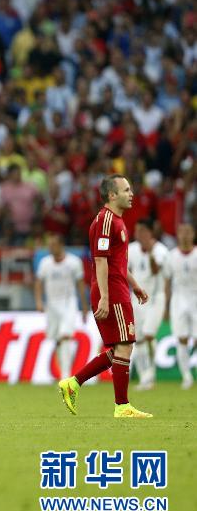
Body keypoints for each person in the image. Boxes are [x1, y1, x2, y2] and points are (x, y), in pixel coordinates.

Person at [58, 174, 152, 418]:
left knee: (119, 347)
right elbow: (99, 260)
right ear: (112, 195)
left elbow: (118, 261)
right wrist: (105, 297)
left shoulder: (116, 221)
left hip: (117, 287)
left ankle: (73, 383)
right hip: (111, 291)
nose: (131, 194)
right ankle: (122, 406)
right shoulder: (105, 220)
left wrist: (136, 284)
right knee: (125, 345)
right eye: (126, 190)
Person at [34, 233, 87, 380]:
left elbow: (80, 285)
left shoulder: (74, 262)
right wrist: (39, 301)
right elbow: (38, 282)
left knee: (65, 336)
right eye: (49, 245)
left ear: (61, 245)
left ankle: (66, 376)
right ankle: (63, 372)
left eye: (53, 245)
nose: (50, 248)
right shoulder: (45, 263)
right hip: (52, 306)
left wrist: (84, 307)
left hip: (68, 303)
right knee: (57, 339)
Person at [128, 219, 169, 390]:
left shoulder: (160, 250)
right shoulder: (131, 249)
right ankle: (146, 376)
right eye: (137, 231)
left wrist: (150, 251)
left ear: (150, 233)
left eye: (143, 231)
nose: (139, 234)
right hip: (136, 299)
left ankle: (151, 373)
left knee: (149, 334)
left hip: (155, 299)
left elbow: (155, 270)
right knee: (138, 339)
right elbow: (124, 271)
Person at [162, 223, 196, 390]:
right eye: (181, 232)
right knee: (182, 338)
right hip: (178, 300)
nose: (184, 235)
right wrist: (166, 307)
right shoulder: (171, 256)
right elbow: (167, 282)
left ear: (193, 234)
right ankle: (187, 376)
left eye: (188, 232)